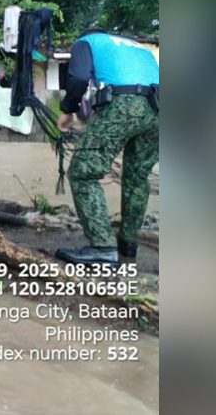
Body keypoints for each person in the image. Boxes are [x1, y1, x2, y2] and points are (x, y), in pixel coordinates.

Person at [55, 30, 159, 265]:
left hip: (126, 104)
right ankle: (128, 247)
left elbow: (80, 78)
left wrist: (68, 109)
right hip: (160, 107)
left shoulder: (85, 42)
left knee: (83, 173)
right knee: (137, 176)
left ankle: (103, 246)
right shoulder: (137, 46)